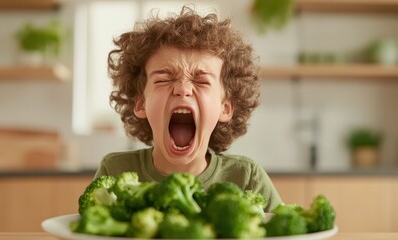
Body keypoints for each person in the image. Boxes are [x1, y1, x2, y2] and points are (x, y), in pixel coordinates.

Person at [94, 5, 282, 212]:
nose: (182, 89)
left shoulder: (247, 177)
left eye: (201, 81)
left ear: (225, 108)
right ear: (141, 105)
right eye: (164, 79)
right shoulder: (115, 171)